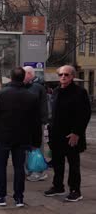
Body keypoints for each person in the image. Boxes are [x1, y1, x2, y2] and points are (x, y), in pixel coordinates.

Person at [0, 67, 41, 207]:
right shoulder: (31, 96)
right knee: (19, 168)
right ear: (23, 77)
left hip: (3, 137)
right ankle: (19, 198)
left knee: (0, 167)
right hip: (22, 138)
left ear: (10, 77)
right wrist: (36, 141)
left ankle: (0, 197)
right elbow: (36, 121)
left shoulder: (1, 94)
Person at [44, 65, 91, 202]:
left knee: (73, 164)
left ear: (72, 76)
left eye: (66, 75)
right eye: (61, 75)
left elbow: (85, 114)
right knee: (58, 163)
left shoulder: (79, 92)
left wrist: (76, 133)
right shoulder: (57, 91)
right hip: (56, 135)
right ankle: (58, 186)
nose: (63, 77)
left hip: (71, 135)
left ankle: (75, 190)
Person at [23, 66, 49, 182]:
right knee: (32, 147)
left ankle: (38, 171)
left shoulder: (35, 87)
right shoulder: (36, 87)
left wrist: (43, 122)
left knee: (35, 147)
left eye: (23, 74)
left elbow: (42, 106)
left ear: (29, 74)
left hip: (35, 122)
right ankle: (32, 169)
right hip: (33, 122)